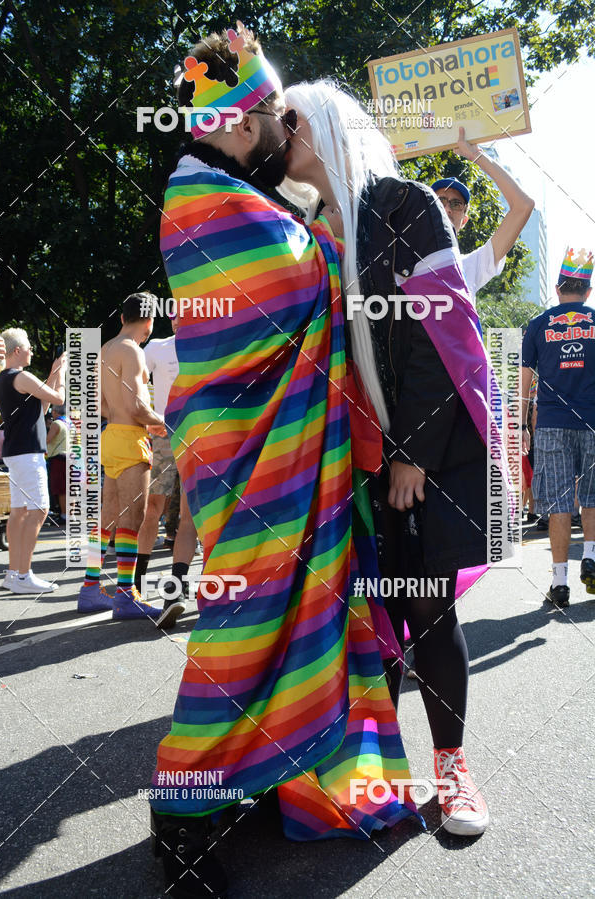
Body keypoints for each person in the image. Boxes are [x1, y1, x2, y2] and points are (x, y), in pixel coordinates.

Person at [150, 26, 419, 899]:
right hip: (251, 471)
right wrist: (340, 235)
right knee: (243, 629)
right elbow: (298, 286)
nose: (280, 122)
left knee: (313, 620)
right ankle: (180, 818)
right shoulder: (206, 201)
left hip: (280, 464)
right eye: (271, 111)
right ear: (240, 117)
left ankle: (295, 772)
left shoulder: (234, 190)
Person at [280, 79, 513, 837]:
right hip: (352, 467)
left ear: (330, 132)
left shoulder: (404, 203)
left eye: (295, 123)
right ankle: (368, 773)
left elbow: (443, 337)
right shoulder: (309, 227)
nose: (284, 136)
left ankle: (452, 769)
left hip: (425, 454)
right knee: (360, 620)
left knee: (427, 608)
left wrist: (411, 452)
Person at [77, 293, 165, 619]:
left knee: (107, 519)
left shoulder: (106, 349)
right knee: (132, 521)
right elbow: (136, 406)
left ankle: (90, 589)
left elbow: (99, 404)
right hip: (130, 440)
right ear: (149, 321)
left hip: (111, 436)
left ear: (122, 318)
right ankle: (126, 595)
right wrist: (162, 423)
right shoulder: (134, 352)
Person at [521, 247, 595, 608]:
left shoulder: (537, 325)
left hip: (551, 423)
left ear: (557, 286)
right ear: (588, 289)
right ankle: (592, 558)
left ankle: (561, 583)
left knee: (560, 504)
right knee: (594, 498)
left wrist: (521, 424)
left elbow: (523, 379)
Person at [135, 311, 202, 628]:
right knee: (153, 509)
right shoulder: (157, 347)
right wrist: (148, 417)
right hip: (165, 438)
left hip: (202, 438)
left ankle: (177, 593)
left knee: (194, 519)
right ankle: (136, 583)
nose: (177, 319)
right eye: (173, 314)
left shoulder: (211, 346)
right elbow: (131, 383)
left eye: (185, 314)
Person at [0, 328, 65, 593]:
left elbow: (43, 407)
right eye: (28, 347)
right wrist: (63, 372)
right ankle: (23, 575)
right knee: (38, 510)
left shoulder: (4, 379)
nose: (32, 350)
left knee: (20, 511)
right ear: (16, 351)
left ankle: (14, 573)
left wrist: (56, 372)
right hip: (27, 452)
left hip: (17, 451)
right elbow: (58, 398)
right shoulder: (21, 376)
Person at [431, 127, 534, 303]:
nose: (447, 209)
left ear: (464, 221)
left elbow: (523, 206)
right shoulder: (401, 259)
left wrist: (475, 155)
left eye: (456, 204)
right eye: (440, 201)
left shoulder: (471, 265)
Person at [46, 404, 68, 525]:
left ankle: (64, 515)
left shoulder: (57, 424)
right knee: (70, 488)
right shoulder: (70, 423)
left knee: (61, 489)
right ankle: (71, 515)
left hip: (59, 458)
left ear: (54, 412)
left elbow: (47, 440)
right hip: (72, 457)